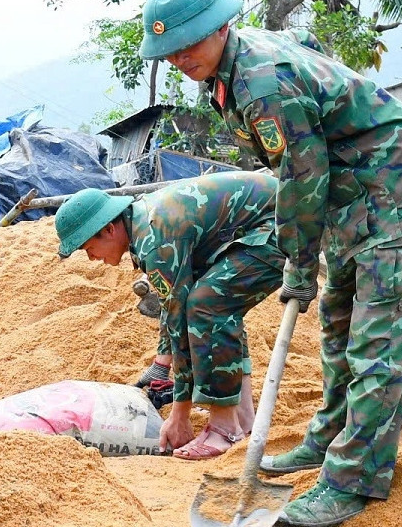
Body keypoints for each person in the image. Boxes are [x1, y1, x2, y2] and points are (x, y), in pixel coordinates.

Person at [141, 0, 402, 527]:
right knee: (337, 326)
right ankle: (327, 440)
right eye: (170, 51)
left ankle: (351, 481)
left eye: (190, 42)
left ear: (221, 27)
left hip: (397, 192)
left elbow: (301, 176)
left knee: (377, 344)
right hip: (353, 200)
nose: (181, 57)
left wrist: (299, 262)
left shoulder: (263, 84)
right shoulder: (227, 73)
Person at [54, 171, 282, 460]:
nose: (92, 258)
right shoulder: (142, 224)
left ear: (110, 229)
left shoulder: (155, 240)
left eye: (89, 248)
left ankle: (224, 429)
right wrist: (161, 363)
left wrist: (180, 413)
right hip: (260, 225)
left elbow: (180, 320)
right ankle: (244, 420)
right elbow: (173, 304)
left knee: (207, 305)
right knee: (213, 304)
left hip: (285, 224)